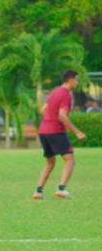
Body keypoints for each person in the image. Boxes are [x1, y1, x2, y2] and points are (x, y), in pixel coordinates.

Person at [33, 70, 86, 200]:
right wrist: (77, 132)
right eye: (77, 79)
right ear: (70, 79)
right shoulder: (66, 94)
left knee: (50, 162)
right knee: (70, 160)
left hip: (43, 131)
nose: (77, 82)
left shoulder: (55, 91)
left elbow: (43, 110)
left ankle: (38, 191)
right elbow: (62, 116)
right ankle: (61, 189)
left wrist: (49, 120)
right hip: (55, 131)